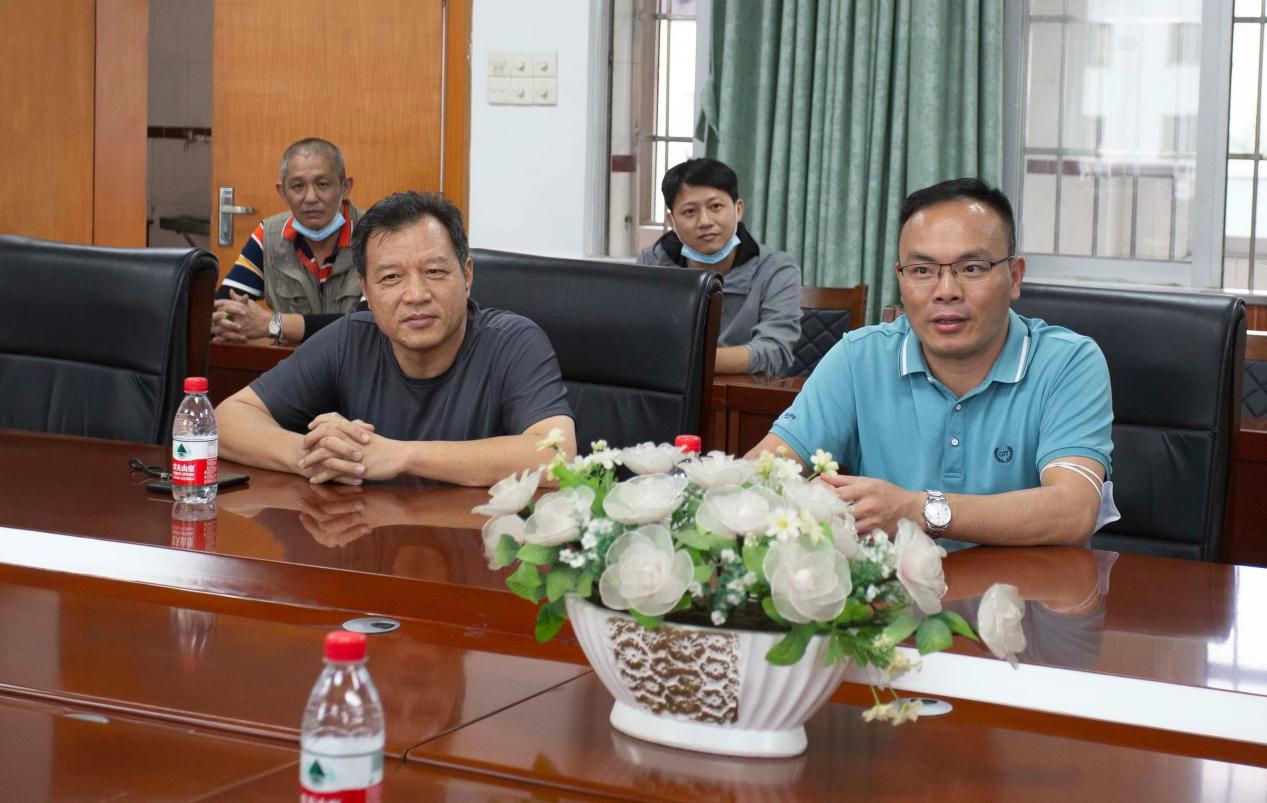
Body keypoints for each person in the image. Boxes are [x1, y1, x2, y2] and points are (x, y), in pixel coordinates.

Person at [748, 178, 1114, 549]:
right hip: (891, 586)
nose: (946, 291)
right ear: (901, 279)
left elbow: (1074, 510)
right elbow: (762, 472)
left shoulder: (1069, 362)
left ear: (1015, 277)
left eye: (972, 268)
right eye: (922, 271)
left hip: (1024, 585)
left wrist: (919, 510)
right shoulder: (858, 358)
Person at [216, 190, 577, 486]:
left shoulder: (513, 342)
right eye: (391, 278)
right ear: (366, 290)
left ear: (466, 276)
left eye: (434, 271)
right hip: (370, 537)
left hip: (476, 541)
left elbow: (556, 456)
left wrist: (400, 455)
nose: (416, 295)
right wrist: (317, 456)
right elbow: (228, 420)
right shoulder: (348, 339)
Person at [637, 158, 801, 375]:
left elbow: (775, 351)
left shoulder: (776, 269)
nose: (705, 221)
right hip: (666, 390)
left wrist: (682, 361)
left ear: (738, 210)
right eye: (689, 211)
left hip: (744, 391)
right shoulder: (652, 264)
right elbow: (638, 339)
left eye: (715, 207)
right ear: (672, 221)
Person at [211, 138, 364, 346]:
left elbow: (366, 325)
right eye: (298, 186)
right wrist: (227, 323)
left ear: (345, 187)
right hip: (294, 364)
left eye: (322, 184)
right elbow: (221, 307)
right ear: (282, 192)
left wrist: (275, 324)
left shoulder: (375, 236)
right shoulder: (269, 235)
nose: (310, 197)